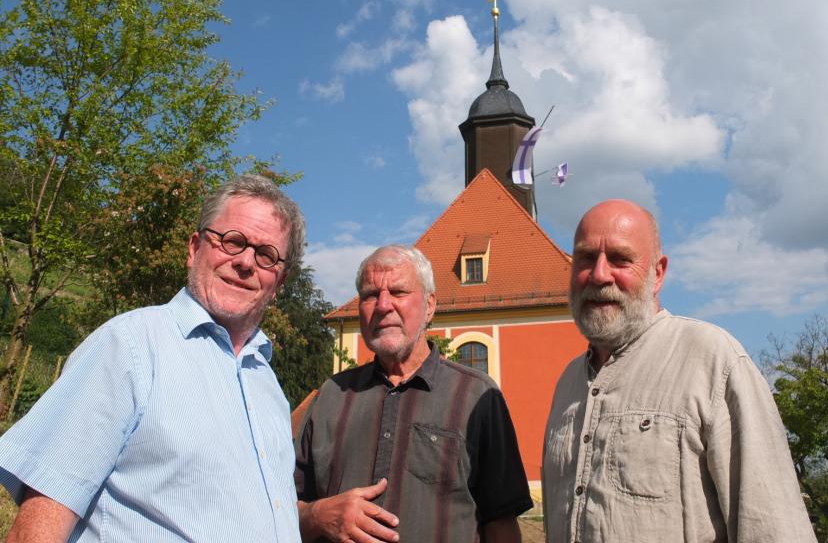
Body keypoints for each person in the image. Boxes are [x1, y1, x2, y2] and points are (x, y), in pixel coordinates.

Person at [0, 175, 305, 542]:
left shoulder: (267, 384)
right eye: (232, 241)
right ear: (195, 248)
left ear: (280, 283)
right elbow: (39, 526)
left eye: (266, 255)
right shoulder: (130, 346)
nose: (245, 262)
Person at [542, 200, 816, 542]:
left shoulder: (713, 360)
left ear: (658, 273)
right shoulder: (567, 383)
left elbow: (772, 528)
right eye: (585, 258)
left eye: (620, 258)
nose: (599, 274)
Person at [295, 245, 532, 542]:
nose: (383, 305)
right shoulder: (332, 396)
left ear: (430, 305)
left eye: (398, 292)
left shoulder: (477, 397)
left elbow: (501, 524)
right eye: (370, 295)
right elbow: (284, 509)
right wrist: (318, 516)